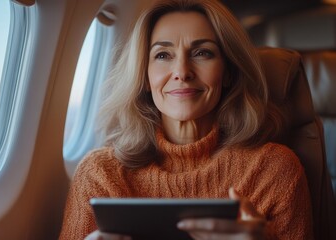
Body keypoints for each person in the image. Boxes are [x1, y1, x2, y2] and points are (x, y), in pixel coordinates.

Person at [59, 0, 313, 239]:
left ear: (228, 73)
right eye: (162, 55)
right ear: (144, 77)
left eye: (202, 53)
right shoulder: (100, 174)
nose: (182, 72)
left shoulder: (274, 171)